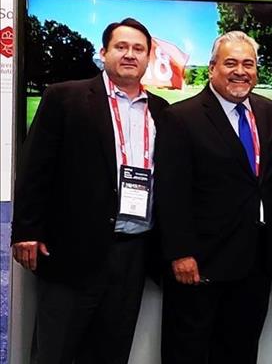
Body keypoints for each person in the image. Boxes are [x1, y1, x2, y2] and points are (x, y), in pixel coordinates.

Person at [11, 18, 169, 364]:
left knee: (112, 351)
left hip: (133, 251)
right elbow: (35, 167)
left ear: (148, 58)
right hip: (72, 250)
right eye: (121, 47)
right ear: (104, 53)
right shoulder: (65, 97)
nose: (130, 55)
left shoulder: (160, 110)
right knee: (57, 351)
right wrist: (26, 230)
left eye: (138, 49)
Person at [155, 31, 272, 364]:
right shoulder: (182, 117)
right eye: (230, 63)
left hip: (255, 261)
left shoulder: (269, 114)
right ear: (212, 68)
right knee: (190, 352)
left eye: (248, 64)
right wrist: (181, 252)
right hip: (201, 263)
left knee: (241, 351)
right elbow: (171, 191)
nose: (240, 71)